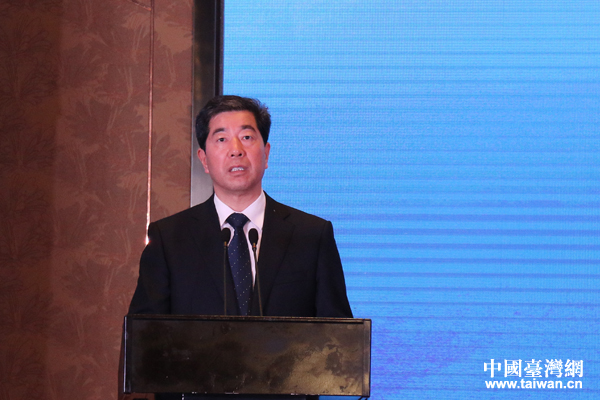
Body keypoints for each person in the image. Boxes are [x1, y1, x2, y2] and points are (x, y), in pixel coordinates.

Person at [129, 95, 352, 319]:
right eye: (222, 139)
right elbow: (142, 333)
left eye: (246, 137)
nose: (236, 150)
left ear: (266, 154)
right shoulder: (169, 239)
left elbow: (338, 332)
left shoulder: (312, 236)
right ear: (204, 159)